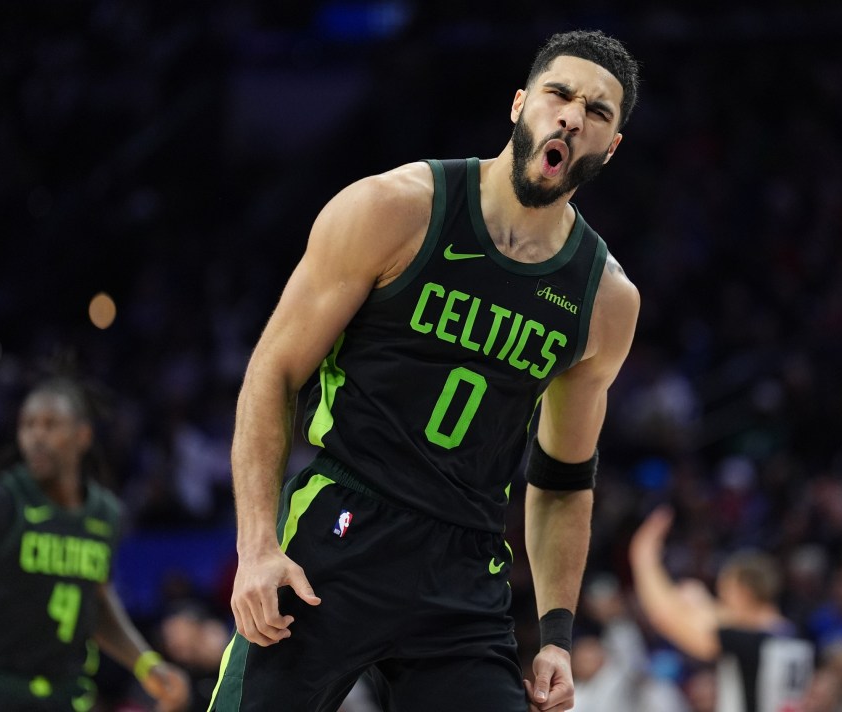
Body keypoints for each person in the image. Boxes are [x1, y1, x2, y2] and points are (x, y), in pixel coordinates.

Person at [211, 28, 641, 712]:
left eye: (598, 112)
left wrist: (556, 634)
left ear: (610, 147)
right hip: (340, 532)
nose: (572, 116)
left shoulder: (605, 300)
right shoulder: (396, 208)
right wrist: (257, 545)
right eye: (559, 94)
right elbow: (274, 371)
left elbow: (562, 482)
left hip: (463, 571)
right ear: (520, 104)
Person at [0, 377, 191, 712]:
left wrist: (145, 663)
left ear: (83, 435)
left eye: (50, 425)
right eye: (28, 425)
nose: (36, 437)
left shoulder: (107, 515)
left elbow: (96, 602)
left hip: (66, 696)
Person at [629, 506, 815, 712]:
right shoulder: (796, 636)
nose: (722, 603)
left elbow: (665, 617)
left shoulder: (747, 642)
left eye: (725, 596)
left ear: (742, 593)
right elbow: (733, 621)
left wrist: (642, 556)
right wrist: (702, 606)